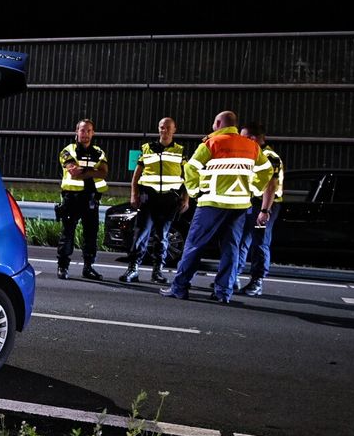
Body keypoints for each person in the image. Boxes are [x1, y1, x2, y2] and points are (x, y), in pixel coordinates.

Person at [160, 111, 272, 302]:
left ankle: (180, 287)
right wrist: (252, 189)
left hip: (212, 203)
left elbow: (190, 168)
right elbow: (266, 170)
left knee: (194, 245)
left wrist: (195, 191)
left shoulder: (212, 143)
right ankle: (223, 293)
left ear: (219, 123)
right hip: (239, 205)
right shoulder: (251, 145)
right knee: (231, 249)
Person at [120, 117, 189, 284]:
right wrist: (133, 194)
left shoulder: (180, 151)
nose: (164, 131)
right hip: (148, 198)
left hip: (169, 200)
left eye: (167, 128)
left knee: (163, 236)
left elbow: (188, 177)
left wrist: (185, 198)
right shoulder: (147, 148)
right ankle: (133, 269)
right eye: (161, 127)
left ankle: (157, 271)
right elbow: (136, 175)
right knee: (141, 234)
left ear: (174, 130)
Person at [55, 119, 109, 280]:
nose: (85, 134)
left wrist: (84, 171)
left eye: (89, 131)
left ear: (93, 133)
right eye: (82, 130)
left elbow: (104, 172)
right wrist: (93, 170)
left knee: (91, 234)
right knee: (68, 233)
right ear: (76, 132)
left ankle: (88, 267)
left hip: (91, 198)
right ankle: (63, 266)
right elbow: (74, 172)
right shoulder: (68, 151)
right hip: (72, 198)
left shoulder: (99, 151)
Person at [233, 122, 281, 296]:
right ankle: (234, 277)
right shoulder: (251, 153)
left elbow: (271, 185)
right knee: (241, 240)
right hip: (249, 203)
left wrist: (265, 211)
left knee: (260, 242)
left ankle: (257, 281)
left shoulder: (269, 156)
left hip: (264, 206)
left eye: (243, 137)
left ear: (253, 138)